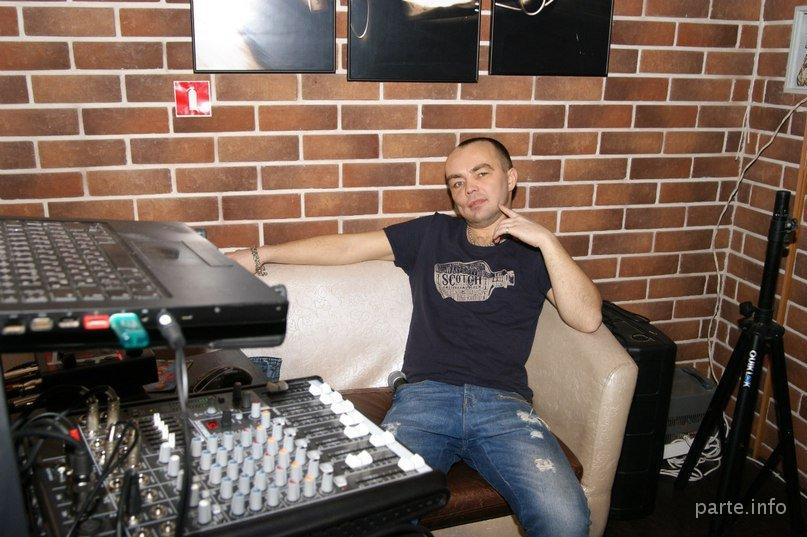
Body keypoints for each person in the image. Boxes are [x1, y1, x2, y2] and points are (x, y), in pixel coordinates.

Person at [229, 137, 600, 536]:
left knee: (565, 519)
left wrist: (547, 242)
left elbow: (587, 318)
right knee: (374, 511)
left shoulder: (534, 253)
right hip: (425, 400)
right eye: (457, 182)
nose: (469, 188)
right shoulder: (432, 234)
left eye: (481, 173)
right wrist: (261, 254)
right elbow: (349, 247)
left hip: (505, 408)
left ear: (511, 179)